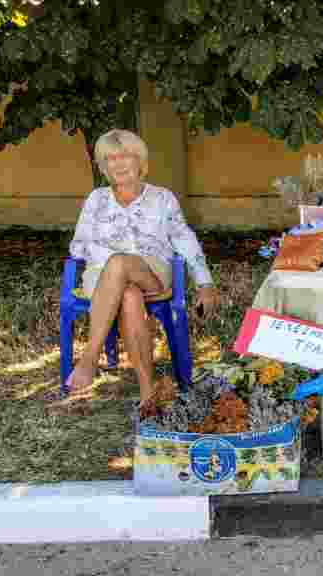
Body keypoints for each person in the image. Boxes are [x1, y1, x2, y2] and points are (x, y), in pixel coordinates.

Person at [65, 129, 218, 406]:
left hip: (152, 273)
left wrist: (204, 283)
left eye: (126, 156)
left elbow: (185, 240)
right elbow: (77, 247)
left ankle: (89, 358)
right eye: (110, 158)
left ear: (140, 161)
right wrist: (105, 257)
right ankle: (148, 393)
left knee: (120, 262)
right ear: (103, 166)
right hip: (102, 279)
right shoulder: (96, 200)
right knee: (128, 294)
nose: (119, 164)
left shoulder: (162, 198)